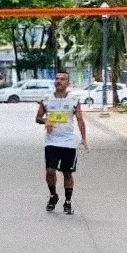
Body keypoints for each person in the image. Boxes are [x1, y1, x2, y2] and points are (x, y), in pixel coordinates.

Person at [35, 70, 87, 214]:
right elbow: (38, 118)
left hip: (69, 142)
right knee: (50, 171)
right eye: (57, 79)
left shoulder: (74, 99)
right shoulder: (46, 99)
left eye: (62, 79)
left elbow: (80, 120)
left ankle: (68, 201)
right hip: (51, 141)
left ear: (67, 83)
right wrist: (46, 121)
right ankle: (53, 195)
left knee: (67, 173)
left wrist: (83, 139)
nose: (59, 81)